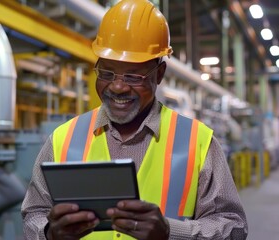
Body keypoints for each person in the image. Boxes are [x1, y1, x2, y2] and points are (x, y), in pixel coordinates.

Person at [21, 0, 248, 239]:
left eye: (133, 76)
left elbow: (233, 227)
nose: (118, 87)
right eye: (107, 73)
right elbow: (33, 213)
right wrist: (49, 232)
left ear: (159, 74)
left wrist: (171, 232)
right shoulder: (62, 139)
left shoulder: (198, 142)